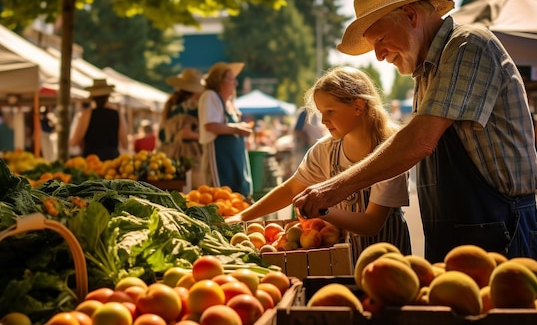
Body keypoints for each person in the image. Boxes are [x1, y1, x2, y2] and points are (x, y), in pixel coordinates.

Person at [293, 0, 537, 263]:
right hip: (454, 229)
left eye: (382, 40)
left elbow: (420, 140)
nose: (378, 55)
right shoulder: (426, 70)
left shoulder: (468, 45)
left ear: (410, 15)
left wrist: (334, 188)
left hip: (500, 227)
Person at [227, 67, 412, 260]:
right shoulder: (326, 150)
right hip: (344, 259)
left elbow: (371, 223)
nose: (323, 120)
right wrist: (242, 217)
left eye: (330, 111)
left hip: (388, 259)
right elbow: (291, 190)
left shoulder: (390, 152)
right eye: (321, 112)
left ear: (358, 107)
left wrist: (323, 209)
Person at [198, 62, 253, 197]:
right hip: (219, 160)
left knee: (237, 199)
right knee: (221, 197)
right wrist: (238, 129)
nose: (235, 83)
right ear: (218, 80)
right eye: (231, 78)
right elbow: (210, 125)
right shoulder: (211, 96)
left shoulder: (230, 103)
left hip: (234, 159)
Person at [159, 68, 206, 186]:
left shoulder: (172, 106)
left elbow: (162, 135)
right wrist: (206, 136)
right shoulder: (190, 107)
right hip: (190, 157)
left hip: (171, 157)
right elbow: (185, 133)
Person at [70, 78, 128, 161]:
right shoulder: (117, 114)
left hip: (92, 161)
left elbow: (74, 142)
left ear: (92, 97)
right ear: (108, 96)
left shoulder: (86, 114)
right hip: (112, 161)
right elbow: (125, 143)